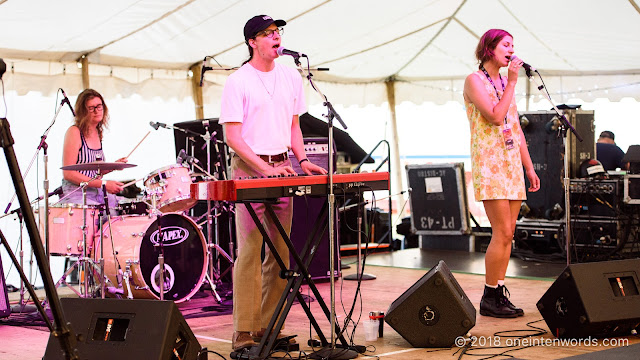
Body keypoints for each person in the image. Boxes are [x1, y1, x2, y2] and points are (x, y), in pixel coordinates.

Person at [219, 15, 327, 351]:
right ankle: (243, 332)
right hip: (250, 169)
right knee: (250, 251)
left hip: (282, 166)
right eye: (268, 33)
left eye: (278, 32)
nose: (276, 37)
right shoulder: (239, 81)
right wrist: (263, 171)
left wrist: (303, 159)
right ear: (252, 42)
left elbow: (293, 124)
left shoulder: (291, 74)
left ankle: (270, 325)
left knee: (281, 252)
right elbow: (232, 137)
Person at [463, 29, 540, 318]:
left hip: (511, 165)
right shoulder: (475, 81)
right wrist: (512, 82)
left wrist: (529, 167)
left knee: (510, 234)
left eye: (513, 45)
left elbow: (516, 129)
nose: (511, 49)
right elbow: (495, 117)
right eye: (506, 44)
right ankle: (489, 296)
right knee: (501, 231)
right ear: (489, 49)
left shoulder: (503, 83)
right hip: (490, 163)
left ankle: (498, 292)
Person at [61, 89, 124, 208]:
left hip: (95, 191)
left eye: (99, 106)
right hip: (77, 193)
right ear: (83, 111)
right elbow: (68, 173)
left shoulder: (97, 132)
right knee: (102, 214)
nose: (96, 111)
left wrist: (114, 166)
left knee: (124, 206)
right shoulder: (74, 132)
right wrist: (103, 184)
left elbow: (93, 172)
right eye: (91, 108)